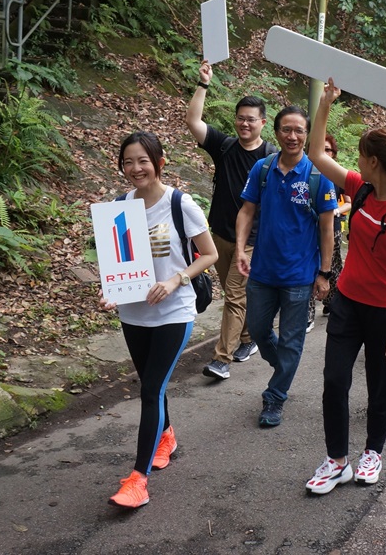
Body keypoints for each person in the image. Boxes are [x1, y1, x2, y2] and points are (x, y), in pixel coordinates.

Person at [305, 78, 386, 495]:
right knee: (335, 380)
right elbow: (316, 153)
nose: (356, 162)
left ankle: (373, 451)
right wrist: (325, 105)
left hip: (385, 312)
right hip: (347, 303)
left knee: (380, 384)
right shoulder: (359, 188)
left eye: (360, 156)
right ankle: (337, 460)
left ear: (374, 161)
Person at [102, 131, 220, 509]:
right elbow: (119, 263)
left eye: (143, 161)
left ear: (159, 162)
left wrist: (175, 280)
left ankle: (138, 480)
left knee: (151, 389)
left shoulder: (180, 204)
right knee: (154, 383)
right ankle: (165, 436)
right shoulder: (119, 205)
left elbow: (209, 254)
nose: (135, 169)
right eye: (128, 162)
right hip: (133, 313)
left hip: (173, 311)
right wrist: (112, 289)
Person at [236, 105, 337, 428]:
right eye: (286, 130)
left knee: (292, 341)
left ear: (307, 135)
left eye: (299, 131)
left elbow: (326, 229)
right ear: (276, 132)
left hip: (298, 277)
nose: (292, 136)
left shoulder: (318, 177)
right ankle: (285, 367)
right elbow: (247, 211)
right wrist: (241, 249)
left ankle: (275, 397)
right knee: (259, 330)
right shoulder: (263, 169)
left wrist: (323, 274)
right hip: (262, 272)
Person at [184, 61, 277, 381]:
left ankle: (221, 359)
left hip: (250, 241)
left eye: (251, 119)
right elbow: (193, 121)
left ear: (262, 123)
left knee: (234, 298)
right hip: (218, 235)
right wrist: (203, 84)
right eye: (240, 118)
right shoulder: (224, 146)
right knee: (233, 293)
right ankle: (249, 339)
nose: (244, 124)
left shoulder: (271, 157)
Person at [320, 134, 352, 316]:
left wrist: (336, 211)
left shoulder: (338, 175)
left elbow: (349, 202)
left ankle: (332, 300)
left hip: (334, 224)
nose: (324, 153)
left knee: (333, 262)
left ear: (333, 153)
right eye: (321, 149)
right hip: (313, 225)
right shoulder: (308, 172)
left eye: (328, 150)